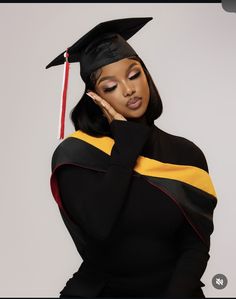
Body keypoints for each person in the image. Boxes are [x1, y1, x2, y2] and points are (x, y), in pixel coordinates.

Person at [46, 17, 218, 298]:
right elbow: (99, 230)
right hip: (103, 291)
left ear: (146, 75)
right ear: (95, 97)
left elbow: (195, 244)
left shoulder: (186, 153)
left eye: (134, 74)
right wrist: (124, 147)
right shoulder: (76, 155)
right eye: (110, 86)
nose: (128, 90)